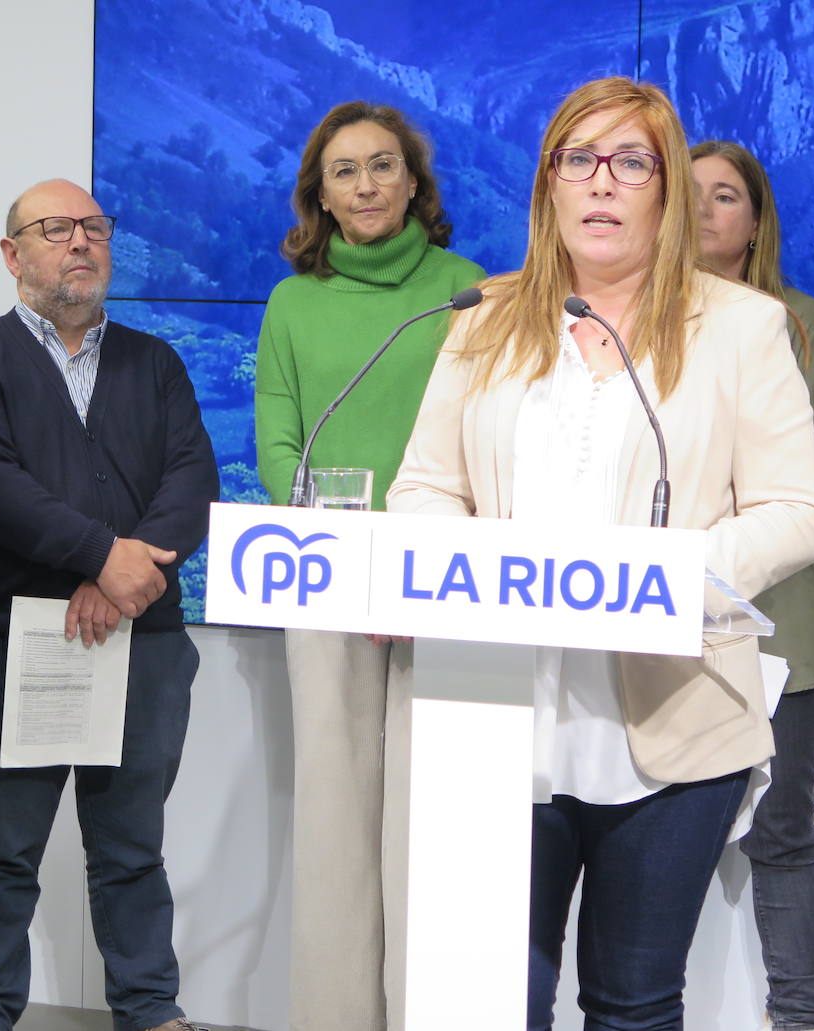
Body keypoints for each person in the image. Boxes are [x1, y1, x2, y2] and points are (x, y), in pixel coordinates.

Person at [386, 77, 814, 1031]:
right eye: (577, 158)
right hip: (499, 714)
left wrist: (665, 574)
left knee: (632, 1005)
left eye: (631, 162)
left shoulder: (745, 327)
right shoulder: (483, 319)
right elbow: (422, 488)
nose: (602, 180)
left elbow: (797, 510)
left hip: (672, 722)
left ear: (665, 192)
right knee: (489, 1003)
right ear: (548, 184)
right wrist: (483, 565)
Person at [0, 178, 218, 1031]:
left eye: (94, 226)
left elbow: (192, 477)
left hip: (145, 644)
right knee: (3, 852)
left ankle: (149, 1010)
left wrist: (122, 579)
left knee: (132, 850)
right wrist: (102, 557)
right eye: (55, 229)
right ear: (11, 253)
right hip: (14, 642)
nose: (80, 242)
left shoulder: (155, 361)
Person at [254, 100, 485, 1030]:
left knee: (427, 819)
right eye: (344, 171)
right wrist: (335, 548)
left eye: (383, 166)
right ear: (320, 192)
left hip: (440, 584)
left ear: (414, 181)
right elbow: (278, 435)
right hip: (330, 581)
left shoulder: (468, 288)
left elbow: (483, 434)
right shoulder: (292, 300)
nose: (365, 186)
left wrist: (416, 554)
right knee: (337, 816)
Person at [692, 138, 814, 1031]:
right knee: (645, 840)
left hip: (780, 625)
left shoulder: (800, 323)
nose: (708, 210)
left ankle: (799, 1019)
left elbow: (794, 483)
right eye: (695, 193)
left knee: (780, 832)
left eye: (726, 196)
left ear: (756, 222)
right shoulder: (640, 318)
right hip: (660, 619)